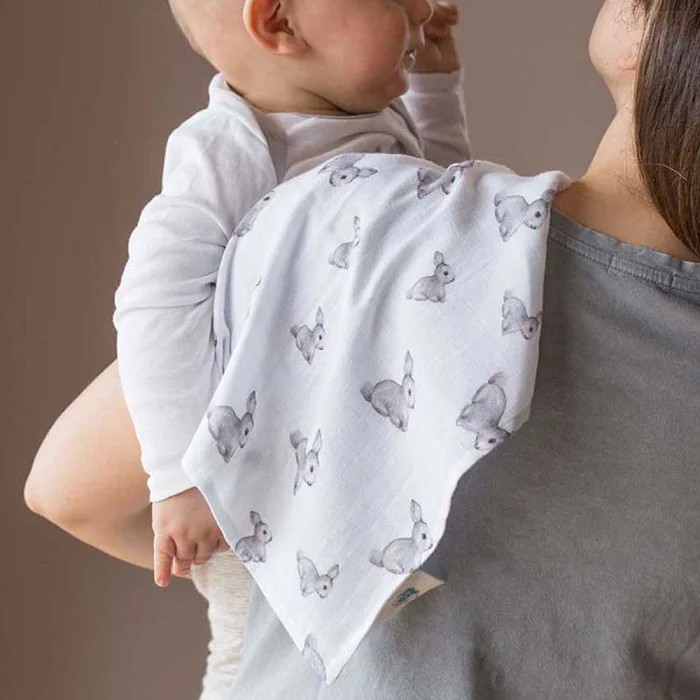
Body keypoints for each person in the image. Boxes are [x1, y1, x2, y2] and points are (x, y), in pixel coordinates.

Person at [25, 0, 700, 696]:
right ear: (276, 24)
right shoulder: (252, 159)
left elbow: (68, 490)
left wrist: (227, 530)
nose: (420, 6)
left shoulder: (331, 222)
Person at [113, 0, 470, 590]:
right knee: (261, 615)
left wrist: (434, 87)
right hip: (268, 479)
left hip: (357, 431)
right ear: (279, 23)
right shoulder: (233, 148)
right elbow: (155, 303)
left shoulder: (374, 114)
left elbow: (446, 205)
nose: (423, 6)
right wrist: (178, 476)